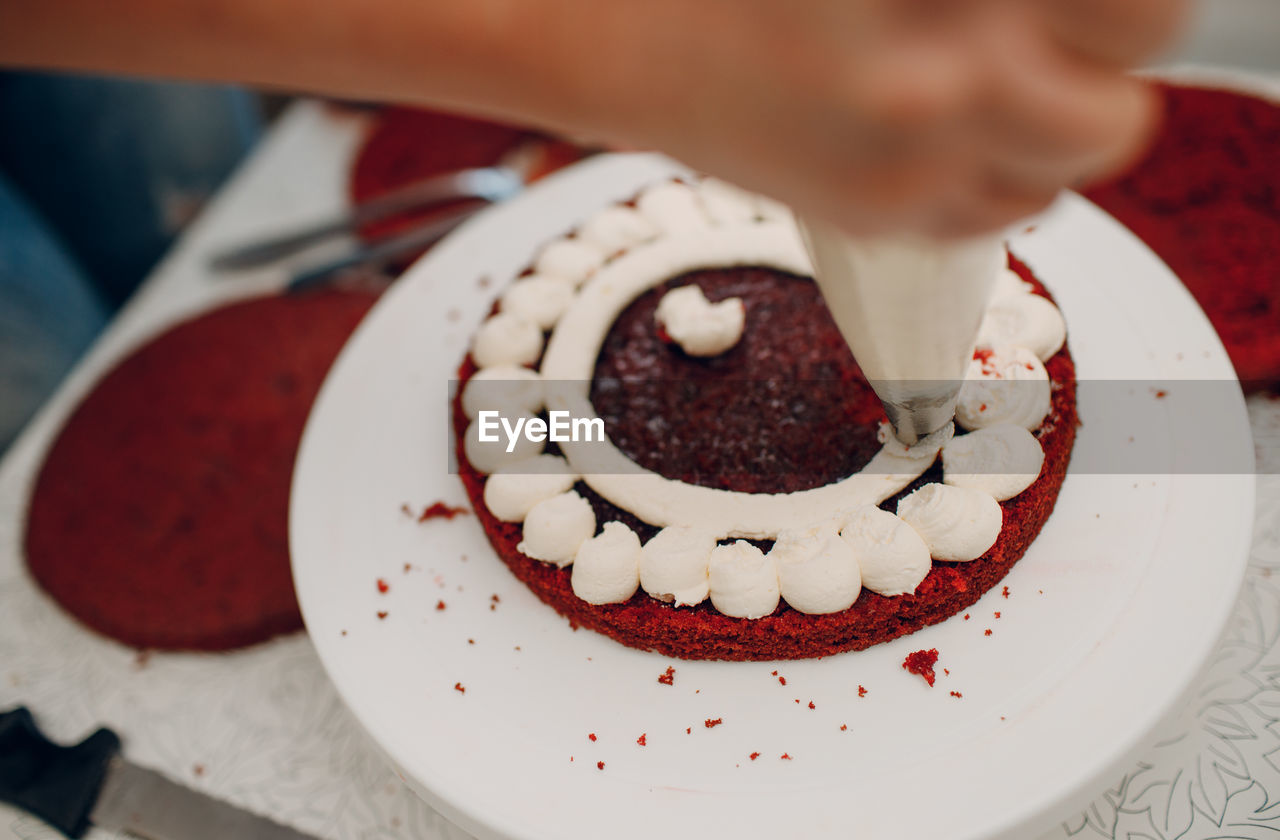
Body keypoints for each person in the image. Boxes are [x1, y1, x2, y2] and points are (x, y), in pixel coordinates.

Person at [0, 0, 1186, 448]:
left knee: (164, 206)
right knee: (49, 364)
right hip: (543, 428)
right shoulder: (544, 416)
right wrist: (590, 49)